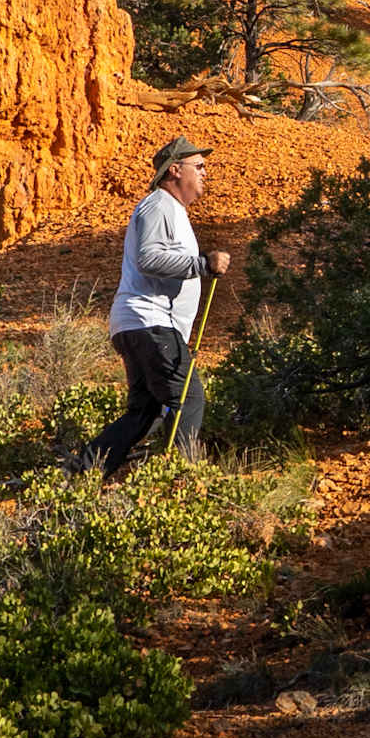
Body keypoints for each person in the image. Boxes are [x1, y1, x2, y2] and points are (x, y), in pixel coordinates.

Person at [92, 138, 227, 482]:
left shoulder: (171, 210)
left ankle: (85, 470)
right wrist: (202, 264)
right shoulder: (159, 205)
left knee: (144, 411)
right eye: (199, 166)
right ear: (175, 169)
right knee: (189, 397)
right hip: (150, 321)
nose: (205, 173)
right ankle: (181, 480)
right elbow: (149, 258)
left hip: (140, 323)